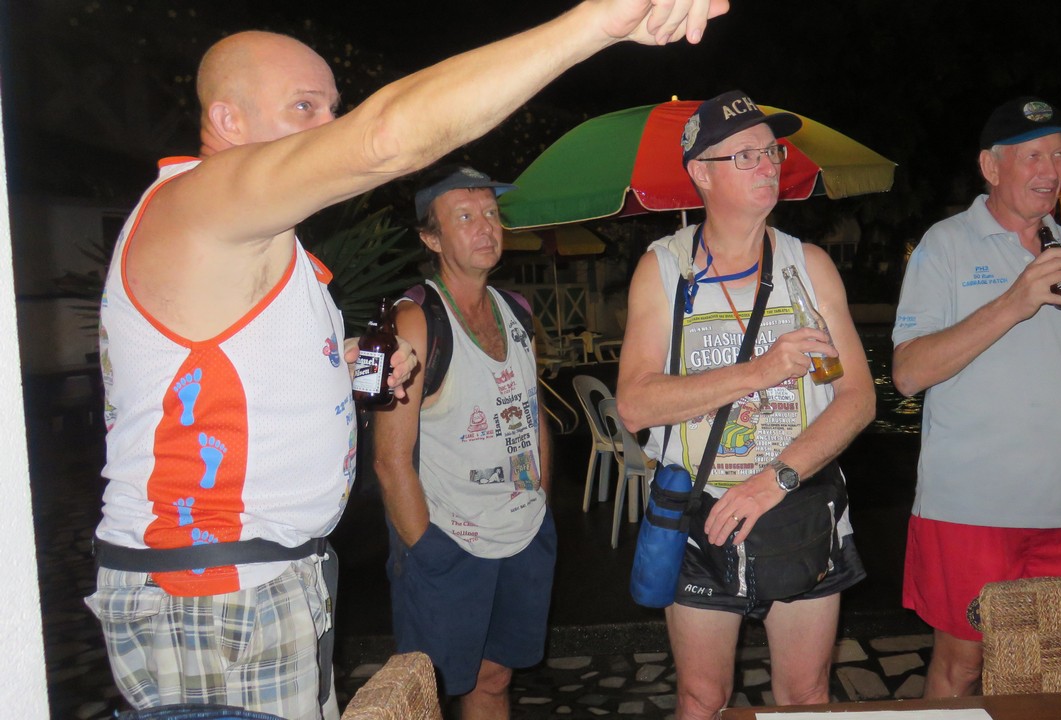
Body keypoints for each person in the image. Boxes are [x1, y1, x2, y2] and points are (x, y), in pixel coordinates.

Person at [82, 3, 728, 718]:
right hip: (210, 582)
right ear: (228, 121)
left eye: (333, 109)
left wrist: (341, 363)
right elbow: (384, 138)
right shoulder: (198, 201)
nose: (328, 128)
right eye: (304, 107)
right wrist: (595, 25)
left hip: (266, 573)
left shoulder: (264, 246)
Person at [616, 90, 876, 720]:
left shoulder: (809, 266)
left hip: (798, 505)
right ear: (701, 174)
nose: (767, 165)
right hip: (701, 515)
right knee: (702, 698)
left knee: (806, 697)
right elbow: (636, 406)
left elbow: (859, 397)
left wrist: (776, 478)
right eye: (745, 156)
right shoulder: (665, 271)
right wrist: (760, 371)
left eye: (771, 151)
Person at [891, 96, 1061, 697]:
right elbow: (907, 373)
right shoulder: (945, 244)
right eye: (1032, 155)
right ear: (991, 166)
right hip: (969, 511)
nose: (1051, 170)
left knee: (1057, 675)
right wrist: (1014, 301)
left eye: (1058, 155)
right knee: (962, 668)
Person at [371, 165, 554, 718]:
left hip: (522, 533)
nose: (486, 227)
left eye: (492, 214)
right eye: (466, 217)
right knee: (427, 692)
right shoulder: (416, 320)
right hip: (450, 540)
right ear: (431, 239)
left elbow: (533, 411)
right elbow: (389, 460)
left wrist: (541, 501)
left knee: (495, 678)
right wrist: (428, 550)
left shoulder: (515, 309)